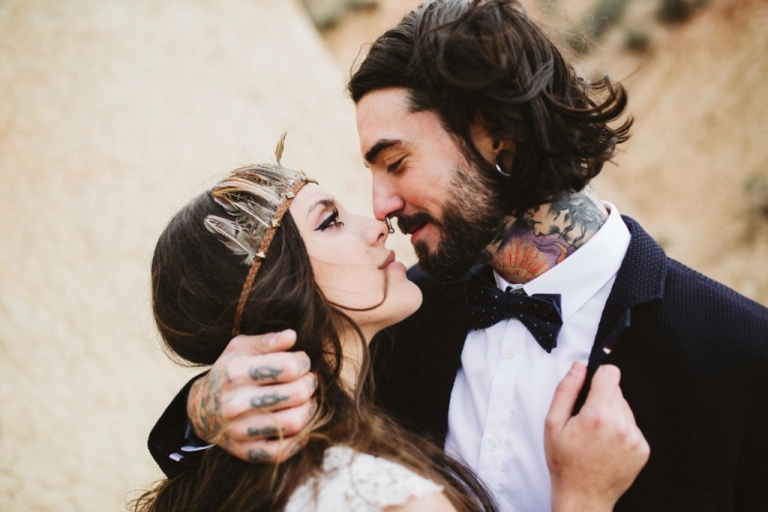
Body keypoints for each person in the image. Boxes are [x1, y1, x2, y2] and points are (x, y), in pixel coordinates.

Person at [148, 1, 768, 510]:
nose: (382, 207)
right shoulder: (397, 314)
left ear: (499, 136)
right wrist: (206, 410)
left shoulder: (739, 354)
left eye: (396, 163)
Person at [135, 161, 648, 511]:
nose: (378, 221)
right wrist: (584, 499)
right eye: (331, 221)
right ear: (281, 287)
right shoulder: (388, 497)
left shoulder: (217, 481)